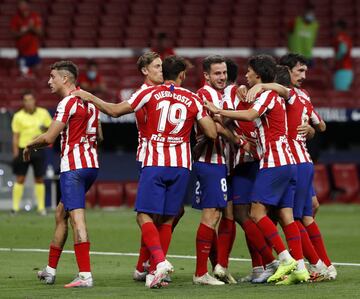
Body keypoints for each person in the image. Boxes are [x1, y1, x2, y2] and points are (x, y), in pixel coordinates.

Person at [72, 55, 218, 289]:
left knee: (143, 215)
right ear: (182, 75)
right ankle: (151, 269)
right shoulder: (193, 98)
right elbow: (211, 133)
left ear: (165, 73)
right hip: (181, 165)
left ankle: (157, 263)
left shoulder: (148, 93)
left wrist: (89, 96)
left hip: (154, 162)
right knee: (169, 218)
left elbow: (115, 111)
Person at [205, 54, 309, 285]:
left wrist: (219, 111)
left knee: (256, 213)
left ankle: (284, 259)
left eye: (249, 72)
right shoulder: (279, 94)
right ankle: (300, 268)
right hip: (289, 162)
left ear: (259, 75)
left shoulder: (268, 95)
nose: (246, 75)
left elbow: (250, 115)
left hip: (273, 162)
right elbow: (287, 93)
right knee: (286, 215)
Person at [24, 60, 100, 288]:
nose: (49, 81)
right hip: (91, 165)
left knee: (77, 218)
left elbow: (48, 138)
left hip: (74, 168)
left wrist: (29, 145)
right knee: (61, 214)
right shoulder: (91, 102)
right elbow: (100, 135)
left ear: (65, 79)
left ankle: (85, 275)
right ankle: (50, 270)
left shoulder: (67, 102)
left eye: (53, 77)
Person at [278, 53, 337, 280]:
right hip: (301, 161)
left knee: (293, 217)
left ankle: (319, 265)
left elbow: (319, 126)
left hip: (292, 160)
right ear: (286, 70)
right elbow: (319, 124)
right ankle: (321, 264)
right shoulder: (299, 95)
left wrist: (309, 129)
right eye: (299, 71)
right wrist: (310, 127)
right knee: (307, 212)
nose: (304, 75)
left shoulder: (289, 94)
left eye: (305, 71)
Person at [223, 59, 279, 284]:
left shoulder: (237, 93)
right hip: (250, 161)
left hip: (253, 160)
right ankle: (261, 267)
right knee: (250, 215)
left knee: (249, 214)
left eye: (250, 72)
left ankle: (278, 261)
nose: (246, 75)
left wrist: (220, 117)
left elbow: (241, 120)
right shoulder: (243, 92)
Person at [192, 55, 240, 285]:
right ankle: (201, 272)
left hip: (225, 163)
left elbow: (226, 120)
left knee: (226, 214)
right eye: (217, 73)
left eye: (224, 73)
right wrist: (238, 139)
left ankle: (220, 266)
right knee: (211, 215)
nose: (222, 77)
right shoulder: (203, 95)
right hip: (210, 161)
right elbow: (218, 126)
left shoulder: (226, 93)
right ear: (207, 76)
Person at [11, 90, 52, 215]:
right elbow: (16, 136)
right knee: (20, 178)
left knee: (39, 178)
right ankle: (15, 208)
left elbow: (50, 129)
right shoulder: (18, 116)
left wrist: (44, 129)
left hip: (38, 150)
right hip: (24, 149)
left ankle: (41, 208)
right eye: (26, 100)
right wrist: (15, 151)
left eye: (30, 99)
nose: (28, 102)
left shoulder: (43, 113)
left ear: (35, 100)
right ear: (23, 102)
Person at [11, 0, 42, 75]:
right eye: (20, 5)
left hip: (34, 52)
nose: (22, 7)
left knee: (38, 73)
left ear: (27, 6)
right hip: (22, 53)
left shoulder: (34, 17)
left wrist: (31, 28)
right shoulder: (15, 18)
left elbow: (40, 33)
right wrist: (25, 31)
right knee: (24, 74)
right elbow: (13, 34)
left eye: (23, 5)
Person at [333, 19, 353, 91]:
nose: (334, 29)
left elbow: (343, 51)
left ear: (339, 28)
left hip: (342, 69)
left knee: (340, 94)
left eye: (336, 27)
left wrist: (335, 60)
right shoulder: (347, 38)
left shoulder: (340, 37)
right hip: (346, 70)